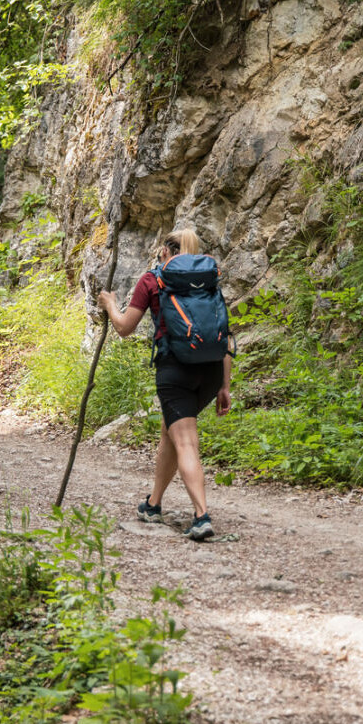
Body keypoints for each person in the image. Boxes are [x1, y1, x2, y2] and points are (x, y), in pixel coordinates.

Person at [97, 228, 232, 541]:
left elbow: (124, 328)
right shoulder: (209, 281)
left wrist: (110, 303)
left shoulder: (153, 279)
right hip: (211, 371)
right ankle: (153, 504)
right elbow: (224, 333)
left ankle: (201, 516)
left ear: (165, 253)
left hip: (176, 371)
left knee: (184, 440)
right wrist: (225, 386)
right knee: (170, 432)